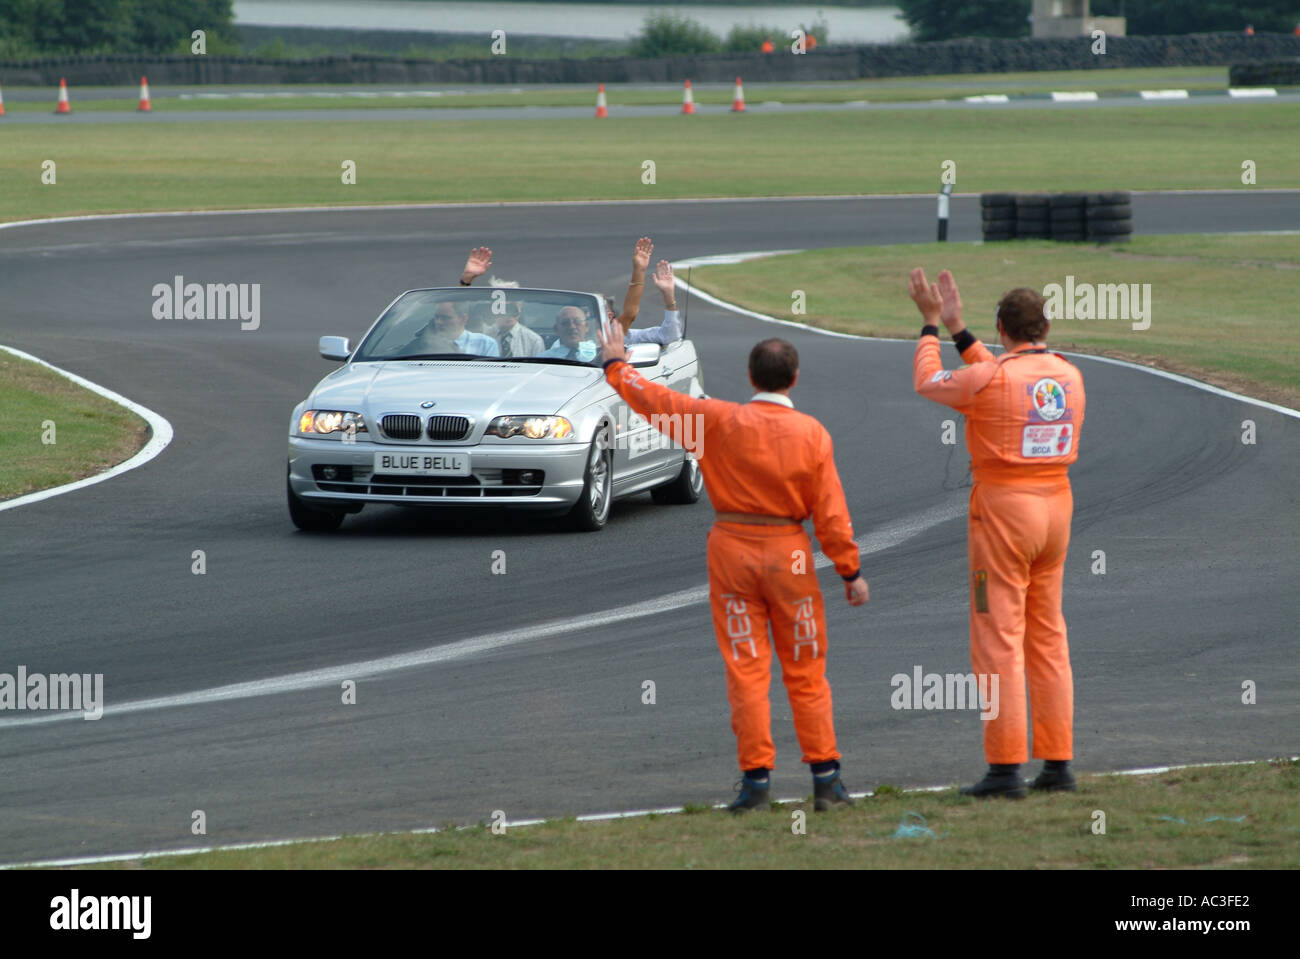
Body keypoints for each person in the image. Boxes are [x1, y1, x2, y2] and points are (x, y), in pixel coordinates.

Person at [596, 322, 869, 813]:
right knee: (806, 670)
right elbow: (831, 516)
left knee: (746, 670)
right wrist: (850, 572)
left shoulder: (718, 420)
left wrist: (618, 366)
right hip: (790, 555)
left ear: (750, 376)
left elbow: (657, 401)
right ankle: (826, 781)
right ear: (795, 378)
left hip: (733, 549)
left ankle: (756, 785)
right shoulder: (812, 434)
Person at [908, 267, 1086, 798]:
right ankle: (1057, 764)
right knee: (1049, 635)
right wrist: (961, 331)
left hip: (1004, 511)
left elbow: (928, 381)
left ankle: (1005, 767)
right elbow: (1001, 376)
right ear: (1045, 328)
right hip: (1056, 506)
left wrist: (930, 327)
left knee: (997, 640)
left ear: (1002, 329)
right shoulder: (1069, 374)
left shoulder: (992, 378)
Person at [538, 260, 682, 360]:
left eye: (577, 321)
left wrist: (668, 296)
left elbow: (669, 334)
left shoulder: (612, 341)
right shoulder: (546, 357)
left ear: (586, 326)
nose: (572, 327)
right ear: (556, 329)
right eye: (565, 323)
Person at [402, 300, 500, 356]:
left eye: (445, 318)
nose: (438, 322)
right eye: (436, 317)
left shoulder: (485, 344)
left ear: (463, 319)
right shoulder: (421, 344)